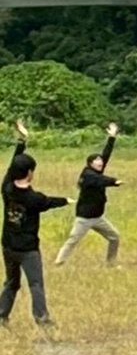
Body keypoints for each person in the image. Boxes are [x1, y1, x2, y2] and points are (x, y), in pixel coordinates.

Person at [1, 120, 72, 328]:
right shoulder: (34, 199)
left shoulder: (6, 188)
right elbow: (50, 202)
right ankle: (42, 318)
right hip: (27, 249)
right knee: (35, 283)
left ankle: (1, 315)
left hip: (7, 245)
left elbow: (12, 165)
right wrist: (66, 200)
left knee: (11, 283)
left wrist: (22, 141)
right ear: (30, 172)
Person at [55, 123, 123, 267]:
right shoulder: (88, 175)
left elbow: (106, 154)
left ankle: (111, 263)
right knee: (73, 239)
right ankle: (59, 261)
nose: (100, 162)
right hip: (84, 218)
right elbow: (100, 180)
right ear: (90, 164)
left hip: (98, 217)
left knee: (114, 237)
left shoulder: (97, 171)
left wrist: (112, 137)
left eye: (100, 161)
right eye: (96, 161)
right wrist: (114, 181)